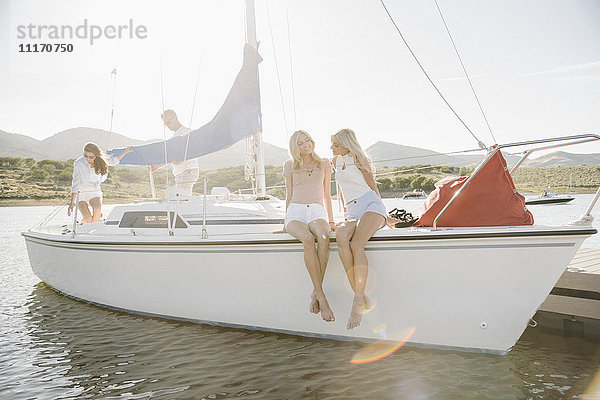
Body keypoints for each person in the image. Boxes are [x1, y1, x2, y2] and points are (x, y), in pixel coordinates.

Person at [330, 128, 387, 330]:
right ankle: (361, 294)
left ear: (347, 144)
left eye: (335, 144)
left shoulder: (360, 158)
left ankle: (356, 300)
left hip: (370, 204)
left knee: (356, 244)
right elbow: (343, 191)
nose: (331, 148)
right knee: (341, 236)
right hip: (352, 210)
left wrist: (385, 216)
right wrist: (345, 215)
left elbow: (373, 187)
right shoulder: (336, 161)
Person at [283, 130, 336, 322]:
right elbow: (288, 194)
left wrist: (330, 221)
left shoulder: (324, 163)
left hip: (316, 210)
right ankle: (322, 298)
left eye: (307, 140)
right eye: (300, 143)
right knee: (307, 239)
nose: (306, 144)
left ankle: (315, 293)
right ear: (294, 147)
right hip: (295, 212)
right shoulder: (289, 165)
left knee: (323, 237)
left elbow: (327, 195)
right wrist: (285, 220)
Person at [68, 142, 132, 223]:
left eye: (91, 157)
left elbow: (113, 161)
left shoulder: (101, 160)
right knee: (88, 219)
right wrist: (72, 202)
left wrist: (125, 152)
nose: (88, 159)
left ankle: (93, 231)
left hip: (95, 192)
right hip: (81, 193)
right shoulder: (78, 163)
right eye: (85, 156)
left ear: (96, 156)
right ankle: (84, 222)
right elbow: (75, 182)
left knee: (97, 210)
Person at [150, 109, 199, 195]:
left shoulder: (185, 133)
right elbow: (172, 157)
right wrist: (157, 166)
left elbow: (182, 156)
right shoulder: (177, 135)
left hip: (186, 171)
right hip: (183, 172)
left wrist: (179, 159)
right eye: (165, 124)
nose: (168, 126)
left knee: (183, 200)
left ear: (175, 118)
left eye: (168, 123)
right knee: (182, 199)